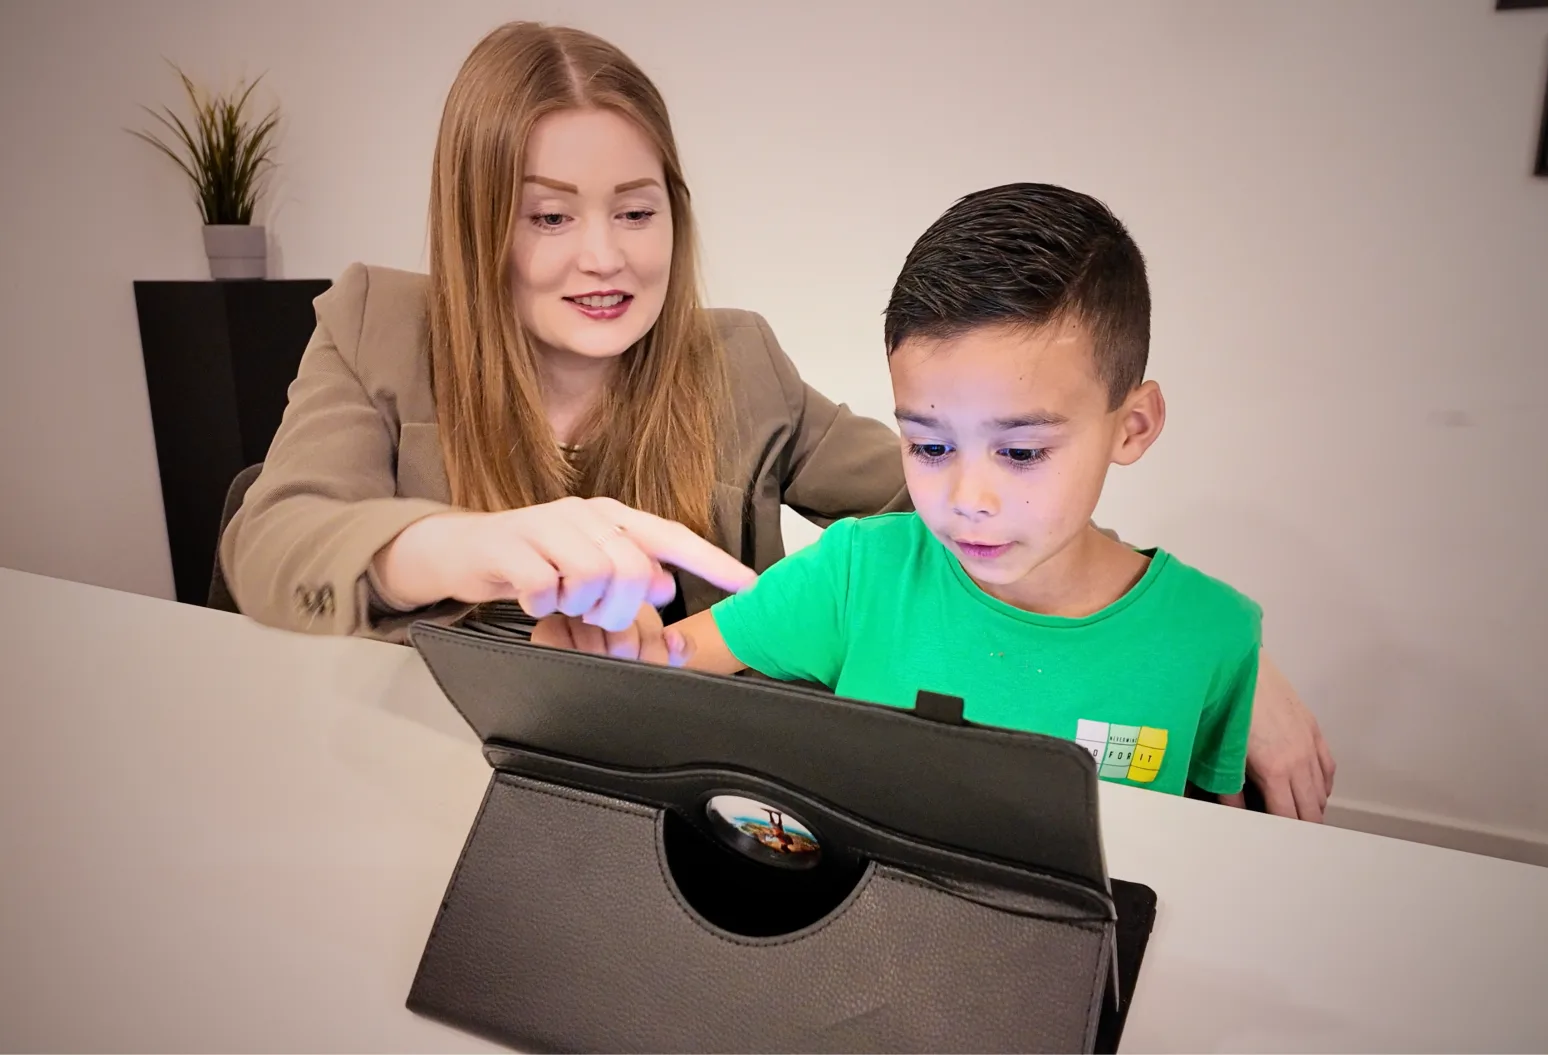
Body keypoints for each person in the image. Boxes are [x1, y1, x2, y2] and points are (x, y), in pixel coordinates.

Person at [219, 21, 1334, 818]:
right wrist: (450, 542)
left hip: (660, 791)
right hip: (405, 762)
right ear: (475, 227)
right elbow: (265, 545)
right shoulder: (376, 319)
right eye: (549, 216)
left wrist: (1214, 650)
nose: (603, 255)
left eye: (636, 210)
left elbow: (960, 501)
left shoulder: (736, 358)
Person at [535, 182, 1276, 801]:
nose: (968, 495)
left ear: (1133, 426)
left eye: (1020, 450)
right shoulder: (855, 573)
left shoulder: (1216, 634)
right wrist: (600, 647)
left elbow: (1211, 843)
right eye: (929, 444)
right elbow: (663, 661)